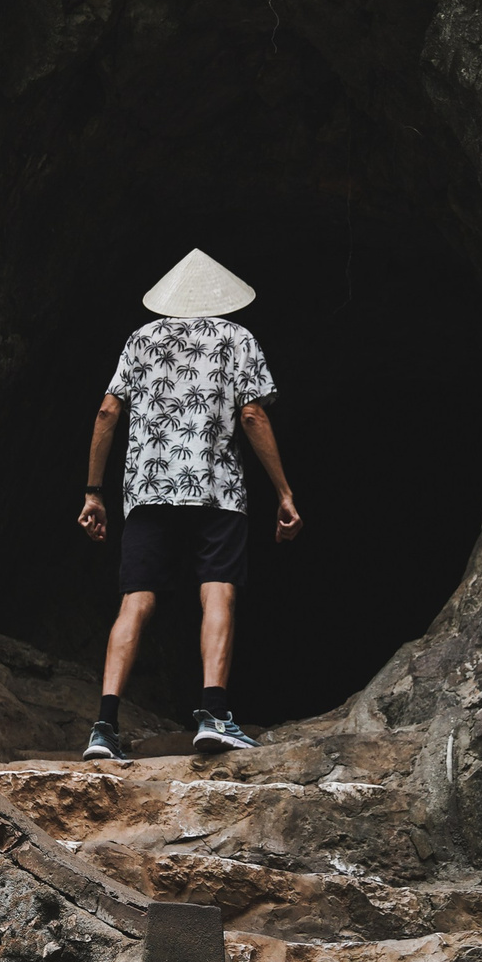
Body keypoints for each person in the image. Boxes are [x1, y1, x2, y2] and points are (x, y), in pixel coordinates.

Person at [77, 248, 302, 761]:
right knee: (217, 592)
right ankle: (214, 716)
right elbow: (252, 416)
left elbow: (107, 412)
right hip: (217, 490)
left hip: (147, 490)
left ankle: (104, 728)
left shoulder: (140, 340)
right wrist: (284, 492)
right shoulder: (237, 338)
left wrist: (94, 491)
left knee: (136, 600)